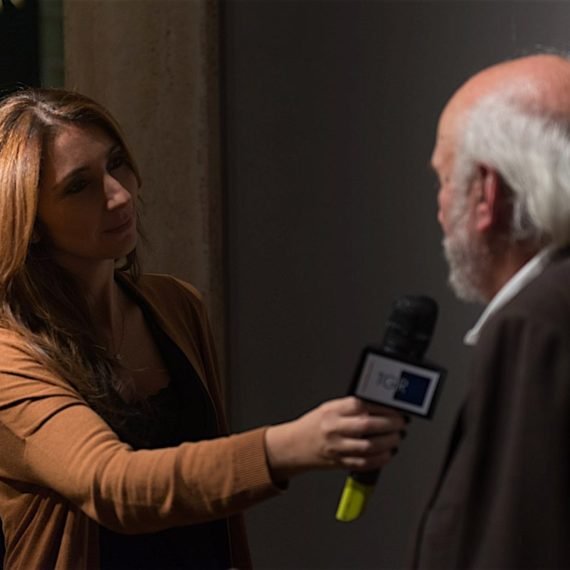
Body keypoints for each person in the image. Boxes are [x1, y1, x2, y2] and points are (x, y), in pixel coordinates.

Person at [0, 88, 407, 570]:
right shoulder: (10, 356)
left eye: (117, 164)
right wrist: (294, 446)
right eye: (79, 186)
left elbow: (209, 494)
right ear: (30, 221)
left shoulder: (174, 304)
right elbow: (113, 485)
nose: (120, 194)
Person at [412, 53, 570, 569]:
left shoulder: (535, 326)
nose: (439, 207)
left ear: (487, 192)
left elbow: (515, 545)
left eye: (444, 179)